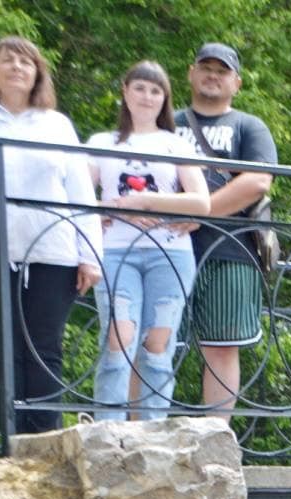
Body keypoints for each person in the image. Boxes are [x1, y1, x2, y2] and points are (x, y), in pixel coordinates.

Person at [0, 36, 102, 434]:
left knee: (44, 349)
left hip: (52, 253)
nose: (16, 68)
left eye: (25, 62)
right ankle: (11, 442)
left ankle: (44, 440)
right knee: (0, 349)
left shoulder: (57, 125)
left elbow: (80, 192)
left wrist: (90, 254)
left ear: (37, 72)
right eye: (7, 61)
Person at [87, 60, 210, 421]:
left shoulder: (176, 144)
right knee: (119, 337)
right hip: (114, 251)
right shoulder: (101, 143)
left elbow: (200, 202)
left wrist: (146, 201)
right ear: (125, 92)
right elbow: (75, 197)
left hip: (169, 252)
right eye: (140, 87)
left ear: (165, 99)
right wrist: (116, 208)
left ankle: (154, 433)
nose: (147, 96)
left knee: (159, 344)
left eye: (156, 90)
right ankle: (107, 430)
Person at [173, 42, 277, 417]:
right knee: (153, 343)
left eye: (222, 70)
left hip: (229, 249)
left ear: (237, 82)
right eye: (206, 67)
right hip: (162, 247)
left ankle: (214, 436)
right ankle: (141, 432)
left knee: (222, 345)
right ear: (191, 72)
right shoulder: (165, 122)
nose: (212, 75)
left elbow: (258, 182)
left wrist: (201, 212)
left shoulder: (249, 126)